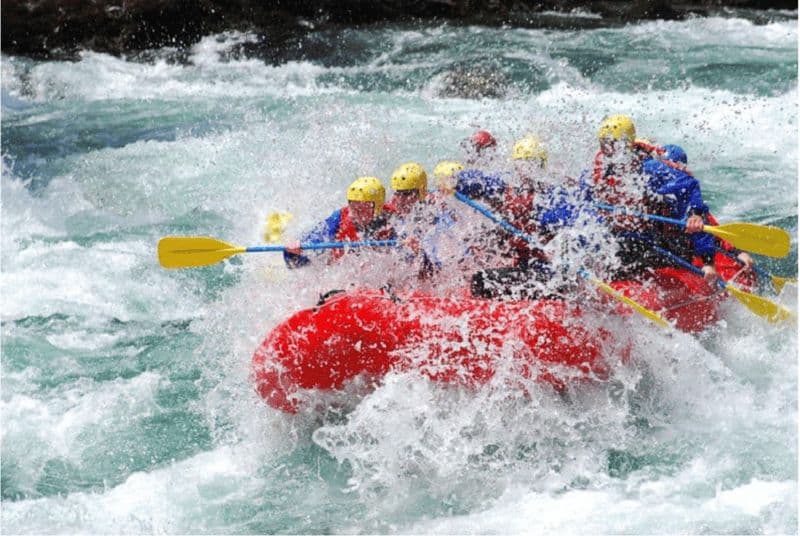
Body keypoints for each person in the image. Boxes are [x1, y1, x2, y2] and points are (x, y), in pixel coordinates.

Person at [283, 176, 395, 268]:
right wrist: (293, 252)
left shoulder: (394, 219)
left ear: (378, 207)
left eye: (363, 208)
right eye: (353, 206)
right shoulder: (338, 219)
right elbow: (312, 244)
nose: (357, 213)